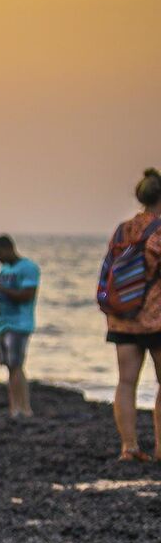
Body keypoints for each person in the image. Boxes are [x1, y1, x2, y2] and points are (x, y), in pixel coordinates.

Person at [106, 168, 161, 461]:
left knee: (126, 382)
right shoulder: (160, 229)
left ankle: (129, 447)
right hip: (155, 317)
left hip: (122, 316)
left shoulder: (122, 229)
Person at [0, 235, 39, 419]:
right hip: (4, 323)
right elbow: (4, 300)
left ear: (8, 248)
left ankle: (24, 408)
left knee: (16, 365)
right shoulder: (4, 270)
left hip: (20, 324)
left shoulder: (28, 268)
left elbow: (26, 295)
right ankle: (14, 406)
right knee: (10, 366)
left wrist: (0, 288)